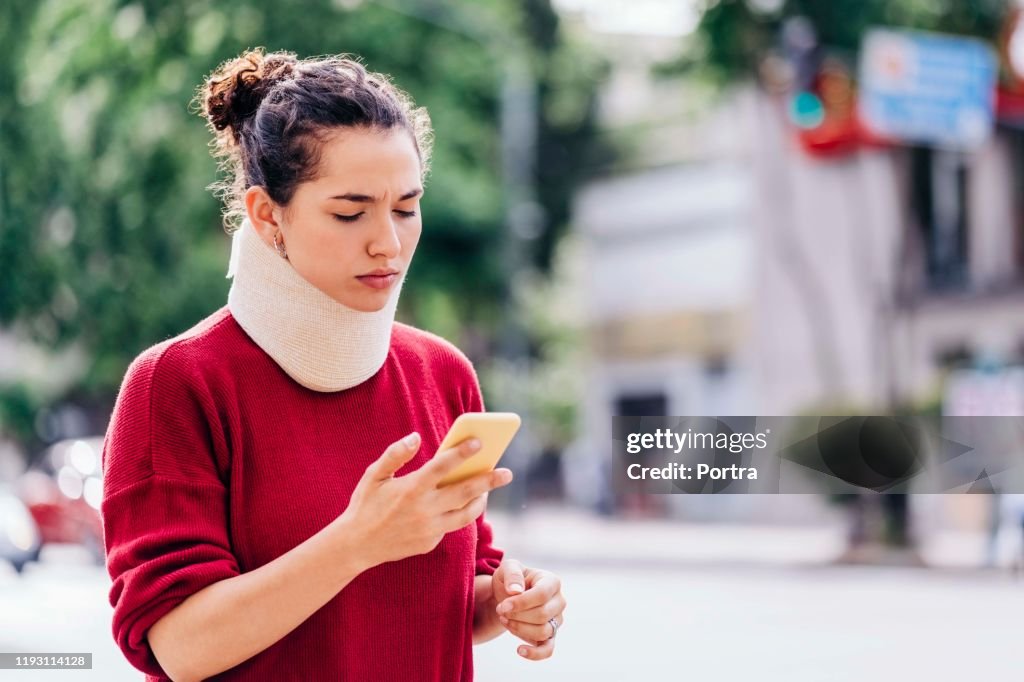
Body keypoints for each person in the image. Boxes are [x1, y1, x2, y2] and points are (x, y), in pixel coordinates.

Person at [101, 47, 566, 682]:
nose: (389, 242)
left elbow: (451, 596)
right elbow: (180, 648)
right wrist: (357, 543)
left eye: (406, 207)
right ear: (268, 216)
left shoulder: (443, 372)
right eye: (351, 213)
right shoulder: (178, 383)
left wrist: (509, 600)